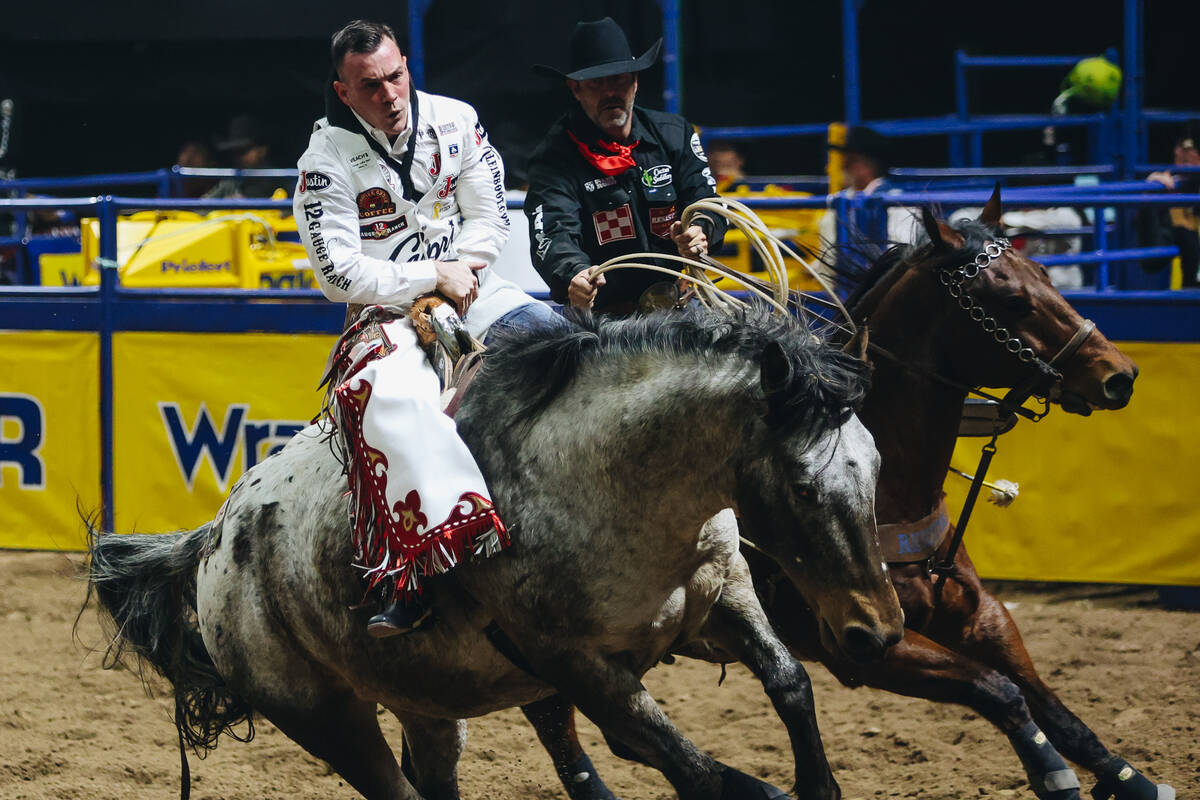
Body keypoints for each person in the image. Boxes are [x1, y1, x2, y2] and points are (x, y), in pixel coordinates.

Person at [294, 19, 557, 636]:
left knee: (558, 341)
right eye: (370, 86)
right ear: (344, 92)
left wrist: (459, 272)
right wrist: (429, 279)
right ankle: (412, 575)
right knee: (385, 403)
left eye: (395, 76)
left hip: (474, 288)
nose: (389, 95)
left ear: (407, 66)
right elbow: (338, 274)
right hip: (386, 316)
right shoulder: (323, 160)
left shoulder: (457, 121)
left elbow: (491, 215)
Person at [525, 17, 727, 314]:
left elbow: (706, 200)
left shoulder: (674, 134)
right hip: (605, 316)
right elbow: (554, 232)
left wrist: (700, 230)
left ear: (635, 82)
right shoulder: (555, 157)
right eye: (597, 83)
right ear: (576, 89)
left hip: (678, 301)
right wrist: (575, 275)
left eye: (619, 79)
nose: (610, 92)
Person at [1145, 136, 1200, 288]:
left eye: (1189, 157)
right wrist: (1151, 190)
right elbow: (1151, 262)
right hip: (1188, 297)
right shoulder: (1172, 192)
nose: (1183, 161)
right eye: (1181, 158)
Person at [205, 114, 288, 199]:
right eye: (235, 152)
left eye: (244, 151)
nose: (239, 158)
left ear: (262, 150)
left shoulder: (279, 179)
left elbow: (294, 209)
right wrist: (225, 205)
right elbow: (201, 207)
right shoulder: (231, 181)